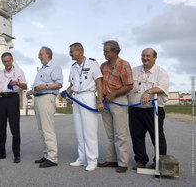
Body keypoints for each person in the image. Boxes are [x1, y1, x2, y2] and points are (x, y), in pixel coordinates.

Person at [64, 43, 104, 171]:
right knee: (79, 130)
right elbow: (72, 84)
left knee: (89, 130)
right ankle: (82, 158)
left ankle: (92, 160)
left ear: (79, 51)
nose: (70, 54)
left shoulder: (92, 63)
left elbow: (99, 82)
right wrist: (66, 92)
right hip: (76, 97)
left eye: (71, 51)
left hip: (88, 97)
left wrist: (100, 100)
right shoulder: (73, 67)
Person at [128, 48, 169, 170]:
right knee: (137, 136)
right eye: (143, 55)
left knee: (157, 136)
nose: (145, 58)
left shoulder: (161, 72)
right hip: (135, 110)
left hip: (153, 110)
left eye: (148, 56)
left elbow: (162, 88)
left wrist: (148, 91)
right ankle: (141, 160)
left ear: (154, 57)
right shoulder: (134, 70)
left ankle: (159, 161)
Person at [98, 40, 133, 173]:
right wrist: (100, 99)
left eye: (106, 51)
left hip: (119, 100)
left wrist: (113, 94)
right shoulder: (103, 66)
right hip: (106, 101)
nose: (104, 53)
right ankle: (111, 159)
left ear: (115, 52)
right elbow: (100, 83)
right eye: (104, 51)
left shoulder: (124, 65)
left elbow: (129, 85)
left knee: (120, 133)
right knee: (110, 134)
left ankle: (123, 162)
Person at [26, 46, 63, 168]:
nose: (39, 56)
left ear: (48, 55)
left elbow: (59, 83)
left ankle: (52, 158)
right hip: (38, 99)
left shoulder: (55, 67)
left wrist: (45, 86)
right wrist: (31, 91)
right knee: (42, 129)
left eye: (41, 54)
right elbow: (38, 86)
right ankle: (47, 154)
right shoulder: (41, 69)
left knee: (48, 129)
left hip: (47, 98)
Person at [0, 52, 27, 163]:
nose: (7, 63)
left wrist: (17, 82)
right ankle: (1, 153)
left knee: (14, 128)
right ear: (2, 62)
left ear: (12, 60)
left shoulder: (19, 71)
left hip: (13, 98)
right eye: (4, 61)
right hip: (2, 99)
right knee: (1, 127)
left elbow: (25, 85)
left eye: (8, 61)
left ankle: (17, 154)